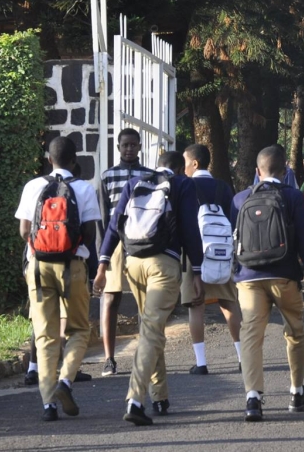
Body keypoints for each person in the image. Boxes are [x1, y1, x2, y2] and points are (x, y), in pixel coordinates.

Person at [95, 149, 203, 427]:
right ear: (180, 169)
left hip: (133, 263)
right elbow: (190, 228)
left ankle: (160, 395)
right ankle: (135, 399)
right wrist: (198, 270)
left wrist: (103, 264)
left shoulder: (136, 183)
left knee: (150, 329)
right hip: (163, 265)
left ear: (157, 166)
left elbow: (115, 223)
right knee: (152, 331)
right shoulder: (183, 184)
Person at [231, 145, 304, 422]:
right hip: (285, 276)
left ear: (257, 172)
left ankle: (253, 398)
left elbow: (233, 239)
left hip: (249, 278)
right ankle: (296, 392)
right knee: (295, 331)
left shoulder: (239, 199)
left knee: (251, 335)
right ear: (285, 172)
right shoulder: (293, 197)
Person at [16, 136, 100, 421]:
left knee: (45, 334)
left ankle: (48, 404)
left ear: (48, 159)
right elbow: (89, 233)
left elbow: (24, 230)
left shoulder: (32, 187)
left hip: (38, 268)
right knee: (78, 329)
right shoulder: (84, 188)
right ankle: (66, 381)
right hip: (73, 266)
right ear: (74, 161)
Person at [181, 143, 242, 375]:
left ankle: (201, 362)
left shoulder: (187, 185)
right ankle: (241, 358)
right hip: (221, 253)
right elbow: (233, 218)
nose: (183, 167)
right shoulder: (223, 187)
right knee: (229, 303)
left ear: (194, 163)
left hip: (195, 253)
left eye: (185, 162)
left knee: (196, 306)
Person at [98, 129, 151, 377]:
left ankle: (145, 354)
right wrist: (102, 256)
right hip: (116, 242)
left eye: (133, 145)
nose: (129, 149)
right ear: (118, 147)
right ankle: (109, 358)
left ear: (140, 146)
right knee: (110, 299)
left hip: (141, 240)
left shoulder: (150, 176)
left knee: (145, 301)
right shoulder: (108, 176)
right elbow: (102, 217)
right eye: (124, 145)